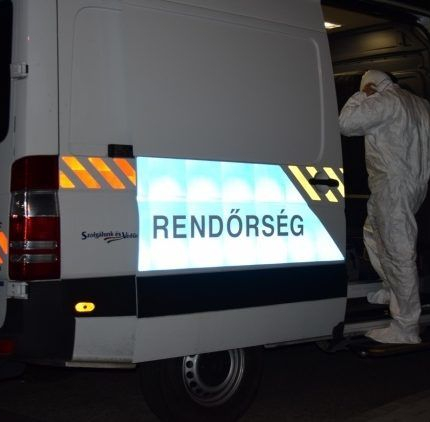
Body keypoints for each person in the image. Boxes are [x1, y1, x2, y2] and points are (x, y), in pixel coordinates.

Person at [339, 70, 430, 344]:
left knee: (398, 251)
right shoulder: (420, 104)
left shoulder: (385, 101)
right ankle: (392, 289)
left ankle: (406, 326)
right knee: (374, 232)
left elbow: (345, 124)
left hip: (393, 186)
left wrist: (361, 95)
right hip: (413, 184)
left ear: (372, 85)